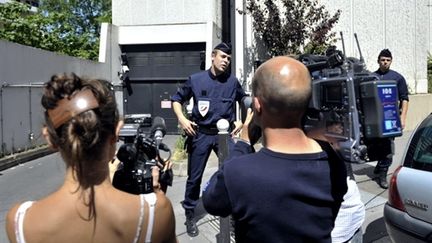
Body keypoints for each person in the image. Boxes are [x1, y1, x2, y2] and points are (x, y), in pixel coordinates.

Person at [5, 73, 177, 243]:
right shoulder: (156, 213)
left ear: (50, 138)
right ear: (117, 132)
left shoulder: (20, 221)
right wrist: (158, 194)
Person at [202, 56, 347, 243]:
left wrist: (243, 144)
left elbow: (211, 200)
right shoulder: (334, 162)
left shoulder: (238, 172)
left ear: (257, 105)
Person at [171, 42, 247, 237]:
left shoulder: (232, 82)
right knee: (194, 177)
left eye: (229, 59)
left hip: (224, 135)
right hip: (202, 135)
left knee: (233, 173)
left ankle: (232, 216)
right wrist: (182, 120)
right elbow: (177, 100)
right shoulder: (196, 80)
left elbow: (245, 101)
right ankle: (190, 213)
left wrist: (243, 122)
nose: (226, 61)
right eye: (223, 57)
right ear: (213, 57)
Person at [373, 49, 409, 189]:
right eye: (383, 60)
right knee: (376, 145)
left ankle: (382, 174)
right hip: (375, 118)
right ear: (378, 61)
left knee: (388, 146)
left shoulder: (397, 78)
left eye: (387, 60)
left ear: (391, 61)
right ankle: (379, 167)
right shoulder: (372, 77)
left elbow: (404, 99)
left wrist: (402, 117)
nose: (385, 62)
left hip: (391, 118)